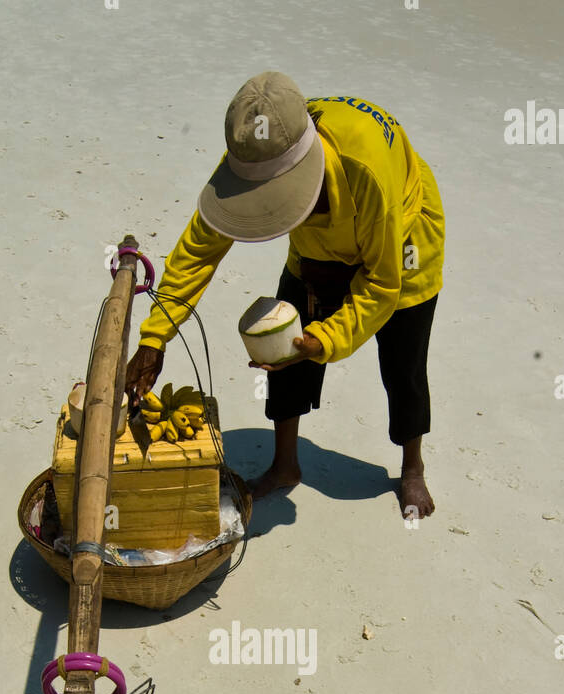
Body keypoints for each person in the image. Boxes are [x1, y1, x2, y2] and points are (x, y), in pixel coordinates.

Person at [125, 71, 445, 520]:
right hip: (316, 251)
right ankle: (285, 464)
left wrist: (325, 342)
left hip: (403, 243)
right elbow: (200, 249)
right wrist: (154, 337)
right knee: (283, 346)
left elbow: (381, 285)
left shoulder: (366, 171)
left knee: (404, 363)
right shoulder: (258, 148)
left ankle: (412, 467)